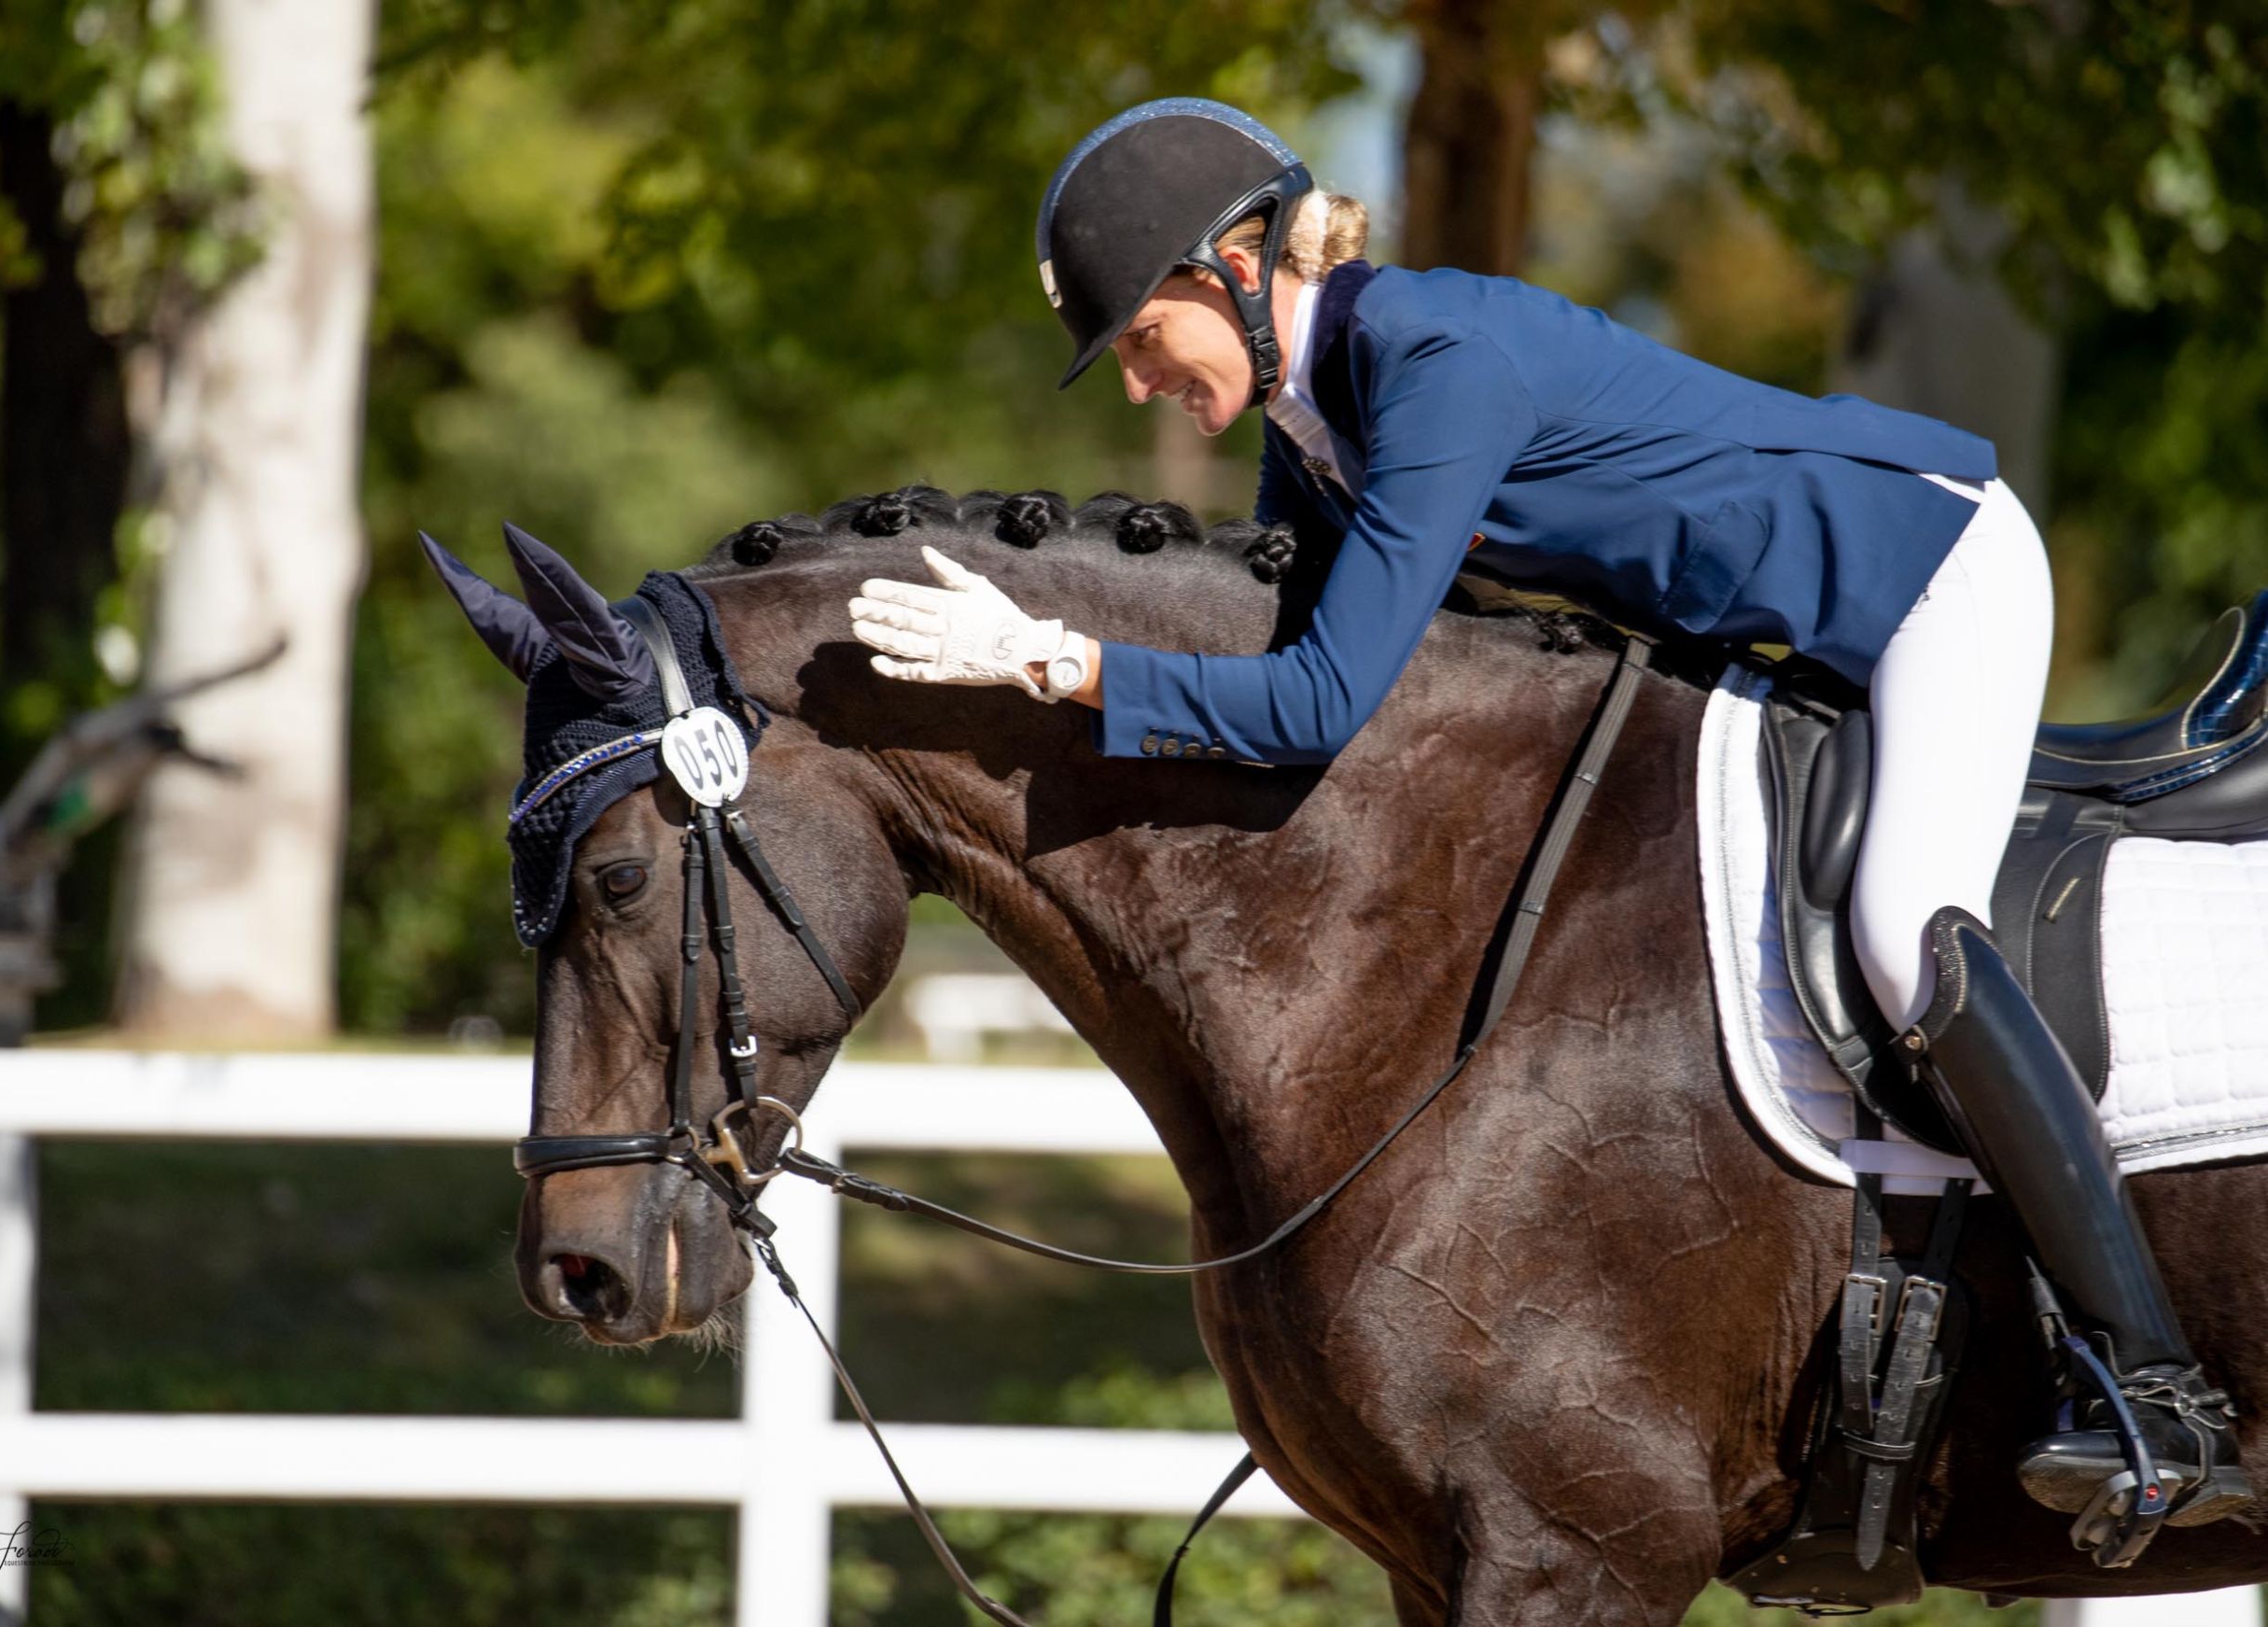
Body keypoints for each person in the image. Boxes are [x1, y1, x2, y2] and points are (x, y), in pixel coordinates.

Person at [844, 97, 2247, 1541]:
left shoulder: (1430, 364)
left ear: (1232, 270)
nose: (1140, 385)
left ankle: (2155, 1391)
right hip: (1785, 639)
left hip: (1928, 577)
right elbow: (1301, 679)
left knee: (1904, 931)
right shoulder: (1312, 425)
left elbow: (1322, 703)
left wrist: (1056, 663)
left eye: (1141, 340)